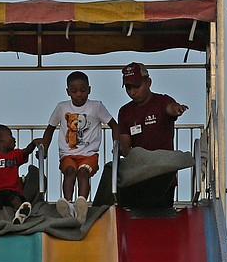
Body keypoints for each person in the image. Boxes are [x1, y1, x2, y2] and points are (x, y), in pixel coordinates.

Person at [36, 71, 118, 224]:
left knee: (82, 173)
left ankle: (81, 206)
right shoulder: (62, 107)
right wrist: (44, 146)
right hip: (68, 153)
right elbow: (50, 128)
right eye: (74, 91)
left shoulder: (96, 107)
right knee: (69, 172)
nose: (79, 94)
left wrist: (116, 144)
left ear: (89, 89)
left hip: (89, 154)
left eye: (83, 90)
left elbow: (114, 125)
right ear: (68, 91)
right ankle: (67, 205)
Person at [117, 62, 188, 207]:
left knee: (162, 219)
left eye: (136, 86)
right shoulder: (124, 111)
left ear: (148, 82)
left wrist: (177, 109)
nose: (132, 92)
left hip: (163, 176)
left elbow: (170, 108)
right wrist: (123, 150)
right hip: (138, 176)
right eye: (128, 88)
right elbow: (125, 140)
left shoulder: (162, 101)